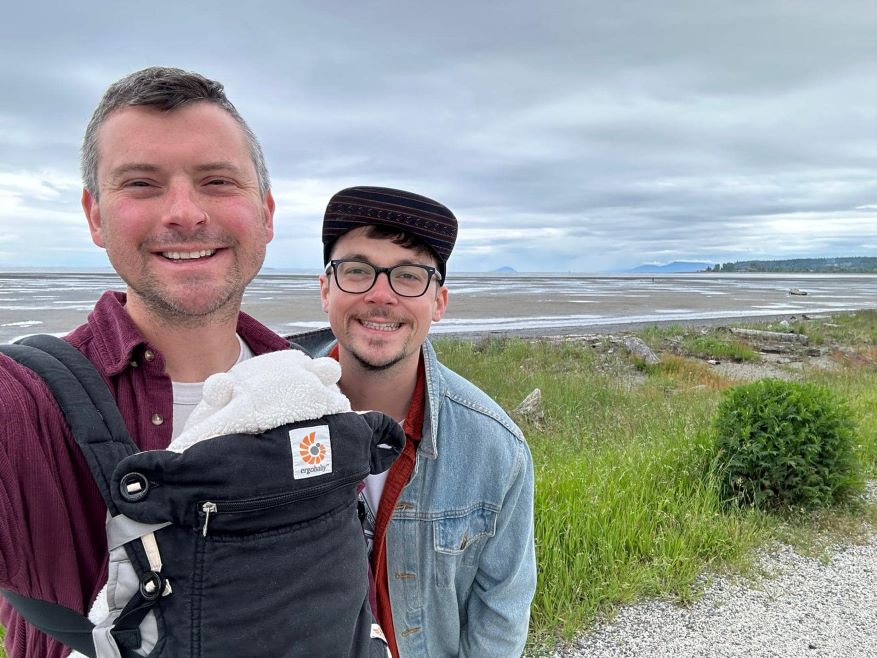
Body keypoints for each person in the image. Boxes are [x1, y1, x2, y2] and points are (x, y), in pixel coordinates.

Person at [0, 66, 286, 658]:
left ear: (267, 213)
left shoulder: (309, 387)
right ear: (95, 215)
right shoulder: (24, 403)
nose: (185, 213)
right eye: (142, 184)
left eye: (216, 181)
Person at [292, 186, 537, 657]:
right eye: (358, 271)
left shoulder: (495, 448)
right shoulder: (267, 420)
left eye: (408, 276)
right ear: (326, 289)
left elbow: (502, 612)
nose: (381, 295)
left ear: (439, 302)